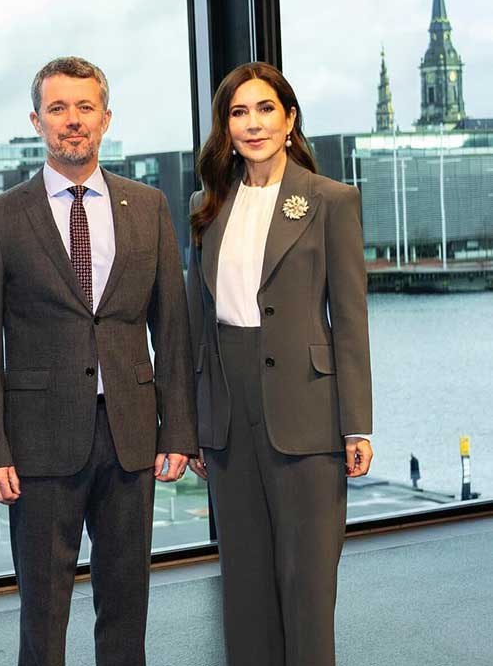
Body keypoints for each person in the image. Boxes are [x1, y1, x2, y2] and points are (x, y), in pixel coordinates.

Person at [0, 56, 197, 666]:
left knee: (127, 607)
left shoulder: (147, 208)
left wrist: (178, 430)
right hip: (37, 446)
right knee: (43, 616)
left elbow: (171, 330)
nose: (73, 121)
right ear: (37, 120)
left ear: (106, 118)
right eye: (59, 108)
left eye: (85, 107)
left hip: (130, 439)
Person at [185, 61, 373, 666]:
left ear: (289, 119)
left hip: (308, 413)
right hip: (230, 420)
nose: (253, 123)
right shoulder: (206, 205)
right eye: (238, 112)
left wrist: (357, 424)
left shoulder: (330, 201)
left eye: (265, 108)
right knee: (243, 587)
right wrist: (190, 425)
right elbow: (196, 326)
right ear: (225, 128)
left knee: (308, 587)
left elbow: (349, 318)